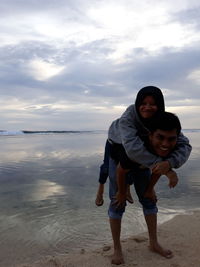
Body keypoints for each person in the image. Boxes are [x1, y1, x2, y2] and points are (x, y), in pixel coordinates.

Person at [108, 111, 191, 265]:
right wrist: (120, 191)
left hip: (143, 165)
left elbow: (158, 167)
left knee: (149, 200)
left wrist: (149, 189)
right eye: (160, 137)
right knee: (117, 203)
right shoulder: (134, 147)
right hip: (118, 161)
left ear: (176, 138)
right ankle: (117, 248)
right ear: (150, 135)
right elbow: (121, 169)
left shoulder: (167, 147)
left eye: (171, 139)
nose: (166, 144)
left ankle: (153, 243)